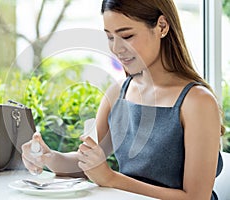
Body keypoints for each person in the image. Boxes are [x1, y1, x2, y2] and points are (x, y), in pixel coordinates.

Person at [22, 0, 225, 199]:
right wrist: (48, 157)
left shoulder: (197, 102)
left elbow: (197, 197)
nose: (116, 48)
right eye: (110, 37)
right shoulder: (117, 93)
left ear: (162, 26)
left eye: (126, 36)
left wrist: (110, 178)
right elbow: (85, 163)